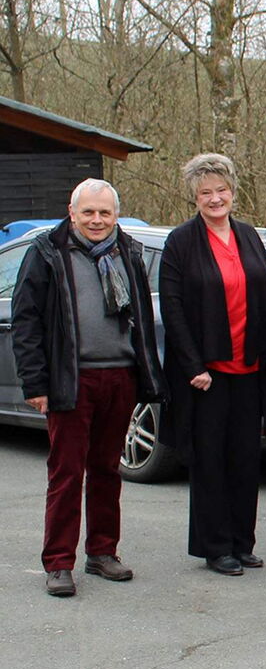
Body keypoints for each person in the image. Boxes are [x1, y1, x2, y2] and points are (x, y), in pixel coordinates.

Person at [12, 179, 166, 597]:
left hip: (121, 377)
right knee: (66, 472)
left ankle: (102, 553)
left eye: (105, 213)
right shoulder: (46, 253)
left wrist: (145, 376)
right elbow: (26, 323)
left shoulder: (130, 252)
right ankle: (58, 562)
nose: (97, 220)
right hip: (70, 378)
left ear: (115, 215)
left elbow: (143, 319)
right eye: (89, 212)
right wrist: (35, 382)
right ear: (72, 211)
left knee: (106, 470)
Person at [159, 153, 266, 576]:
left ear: (233, 192)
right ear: (194, 198)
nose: (215, 198)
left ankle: (241, 540)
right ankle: (216, 547)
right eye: (205, 192)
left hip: (249, 369)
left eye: (221, 190)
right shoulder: (180, 242)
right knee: (210, 461)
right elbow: (173, 309)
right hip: (206, 375)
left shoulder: (249, 236)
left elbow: (263, 293)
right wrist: (193, 364)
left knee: (246, 458)